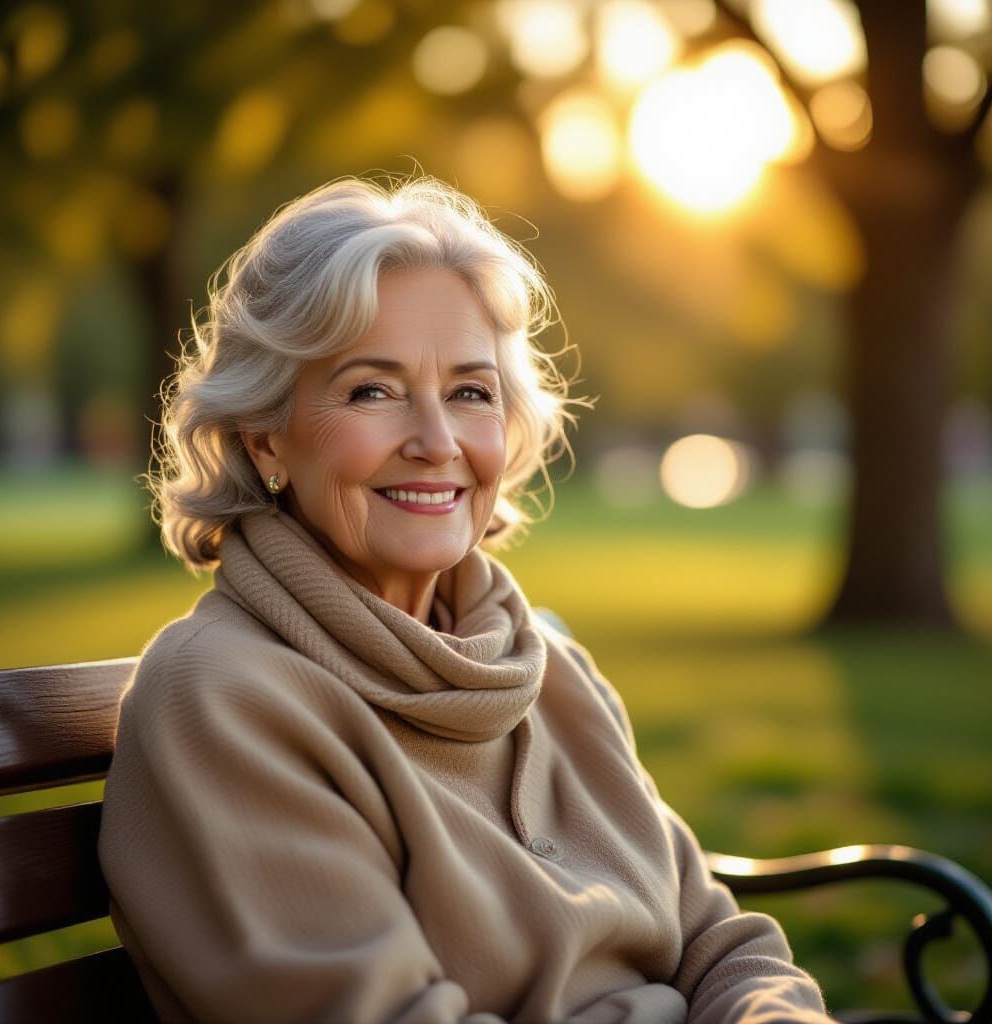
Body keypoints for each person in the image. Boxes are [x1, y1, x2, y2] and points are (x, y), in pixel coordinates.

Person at [98, 174, 831, 1024]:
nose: (437, 441)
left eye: (470, 392)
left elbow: (720, 945)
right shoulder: (224, 699)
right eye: (372, 389)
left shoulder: (544, 662)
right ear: (266, 433)